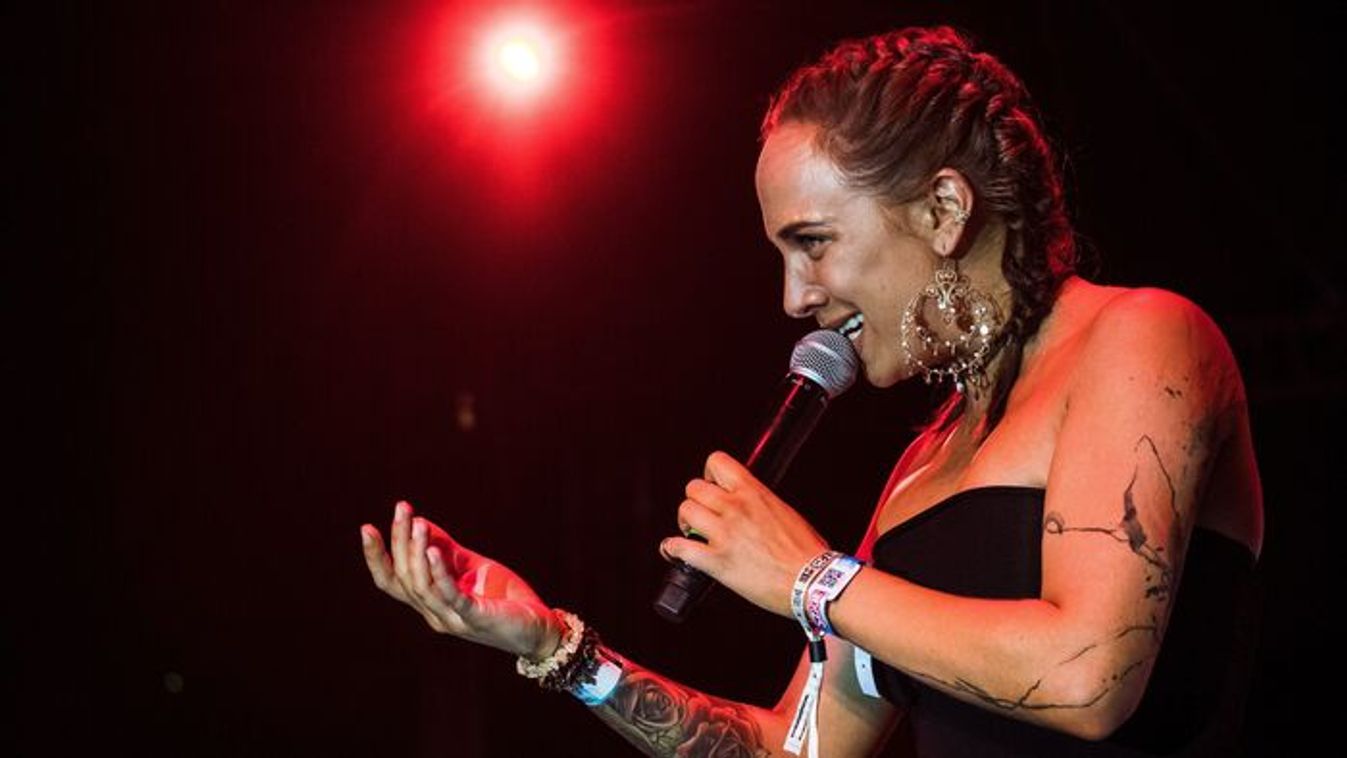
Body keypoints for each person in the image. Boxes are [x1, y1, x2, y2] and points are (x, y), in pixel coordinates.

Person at [360, 25, 1263, 757]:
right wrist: (554, 644)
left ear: (943, 211)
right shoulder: (920, 468)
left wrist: (808, 577)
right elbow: (792, 751)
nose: (794, 298)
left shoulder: (1141, 336)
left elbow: (1088, 678)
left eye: (814, 243)